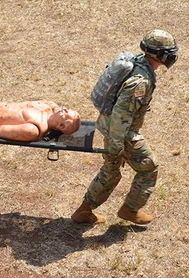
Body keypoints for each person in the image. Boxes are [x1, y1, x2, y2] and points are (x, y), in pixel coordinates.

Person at [72, 29, 179, 226]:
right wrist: (116, 144)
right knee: (149, 169)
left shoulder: (138, 63)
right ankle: (130, 210)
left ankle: (84, 211)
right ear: (160, 55)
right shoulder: (140, 82)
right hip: (121, 133)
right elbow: (122, 114)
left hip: (108, 126)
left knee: (111, 170)